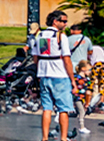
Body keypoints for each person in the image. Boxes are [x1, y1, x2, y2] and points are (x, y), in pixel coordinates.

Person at [30, 9, 74, 141]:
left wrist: (39, 71)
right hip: (60, 76)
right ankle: (64, 138)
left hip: (44, 75)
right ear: (55, 21)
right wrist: (73, 80)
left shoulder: (42, 36)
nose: (66, 24)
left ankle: (44, 137)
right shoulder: (61, 37)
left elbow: (37, 57)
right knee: (63, 109)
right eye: (64, 21)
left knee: (47, 108)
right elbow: (66, 60)